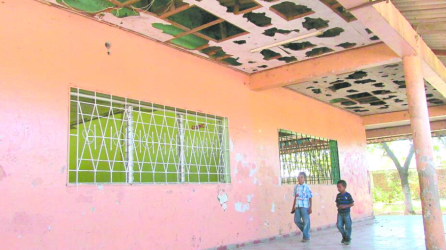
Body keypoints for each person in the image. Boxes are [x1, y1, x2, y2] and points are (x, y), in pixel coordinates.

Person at [291, 172, 313, 242]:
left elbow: (310, 197)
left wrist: (310, 207)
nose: (299, 179)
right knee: (296, 220)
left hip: (305, 206)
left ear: (304, 178)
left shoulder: (307, 187)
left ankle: (306, 237)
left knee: (306, 221)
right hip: (297, 206)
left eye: (301, 177)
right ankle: (306, 232)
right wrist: (293, 207)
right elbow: (295, 197)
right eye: (298, 177)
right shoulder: (296, 187)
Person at [335, 180, 354, 245]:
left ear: (344, 187)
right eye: (337, 187)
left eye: (340, 187)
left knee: (348, 226)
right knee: (339, 225)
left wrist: (346, 206)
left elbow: (352, 204)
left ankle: (347, 239)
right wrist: (338, 206)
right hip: (340, 213)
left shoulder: (348, 195)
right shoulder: (338, 195)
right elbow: (337, 203)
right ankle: (346, 237)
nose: (338, 189)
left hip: (346, 213)